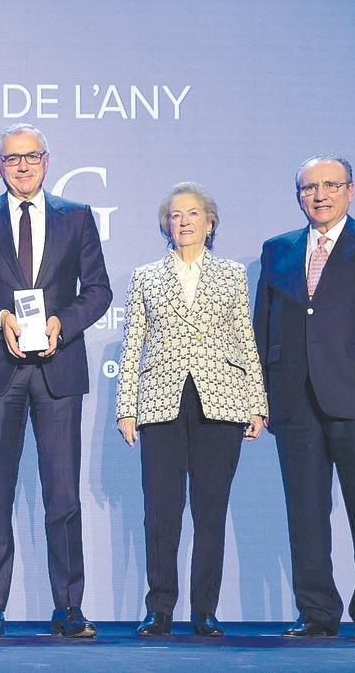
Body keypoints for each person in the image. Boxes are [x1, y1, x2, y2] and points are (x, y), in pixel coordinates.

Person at [0, 123, 112, 639]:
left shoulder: (77, 217)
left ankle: (69, 607)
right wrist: (0, 321)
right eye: (12, 159)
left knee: (62, 494)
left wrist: (63, 323)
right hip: (0, 371)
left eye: (32, 156)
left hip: (58, 372)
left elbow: (99, 291)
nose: (23, 166)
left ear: (47, 160)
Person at [254, 155, 355, 641]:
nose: (319, 195)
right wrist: (260, 396)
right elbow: (265, 326)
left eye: (330, 185)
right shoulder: (277, 249)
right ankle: (317, 613)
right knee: (305, 512)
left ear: (351, 190)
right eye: (309, 188)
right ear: (298, 195)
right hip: (293, 399)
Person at [115, 182, 267, 638]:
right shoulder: (146, 276)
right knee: (161, 510)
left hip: (221, 400)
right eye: (174, 215)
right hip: (160, 401)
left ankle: (205, 609)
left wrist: (257, 404)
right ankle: (159, 608)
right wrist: (127, 408)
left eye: (192, 213)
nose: (182, 221)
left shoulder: (231, 274)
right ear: (166, 224)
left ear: (210, 222)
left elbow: (245, 338)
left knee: (211, 509)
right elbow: (132, 346)